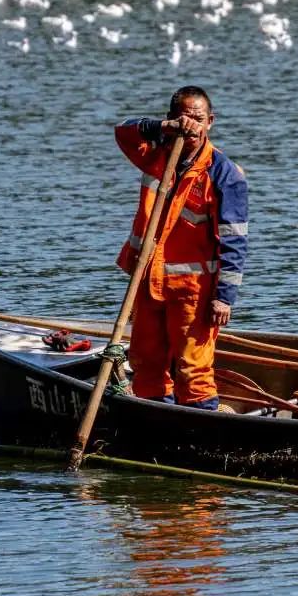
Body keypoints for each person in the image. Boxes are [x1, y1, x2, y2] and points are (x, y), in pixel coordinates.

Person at [114, 86, 248, 410]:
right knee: (145, 361)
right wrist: (163, 128)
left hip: (194, 291)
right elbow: (123, 133)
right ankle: (153, 415)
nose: (191, 127)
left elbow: (235, 240)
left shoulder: (224, 174)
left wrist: (224, 298)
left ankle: (201, 424)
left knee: (193, 368)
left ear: (210, 122)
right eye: (183, 119)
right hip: (148, 281)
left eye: (198, 120)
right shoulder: (157, 154)